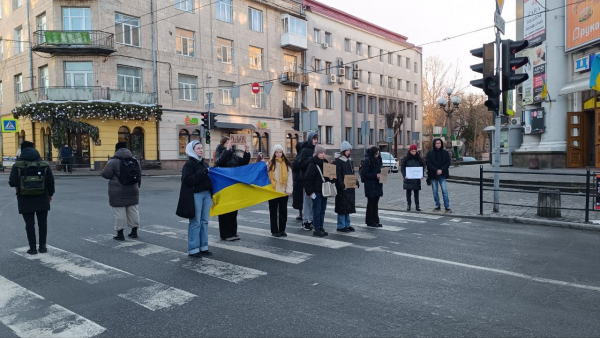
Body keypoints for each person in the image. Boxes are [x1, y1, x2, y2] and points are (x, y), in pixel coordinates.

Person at [9, 141, 55, 255]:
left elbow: (12, 182)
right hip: (42, 195)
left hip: (24, 197)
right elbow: (50, 181)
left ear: (22, 150)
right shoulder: (44, 164)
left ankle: (32, 248)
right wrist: (50, 194)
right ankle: (43, 247)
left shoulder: (17, 165)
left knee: (29, 224)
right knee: (42, 222)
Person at [176, 141, 213, 258]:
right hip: (196, 194)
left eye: (202, 148)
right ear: (192, 150)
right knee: (195, 222)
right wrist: (203, 173)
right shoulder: (189, 165)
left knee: (204, 221)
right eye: (198, 148)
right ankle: (193, 249)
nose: (201, 150)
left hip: (207, 194)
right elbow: (188, 180)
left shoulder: (205, 164)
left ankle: (204, 247)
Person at [102, 142, 142, 240]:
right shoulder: (134, 160)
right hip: (133, 189)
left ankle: (120, 234)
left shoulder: (113, 161)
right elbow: (139, 173)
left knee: (119, 212)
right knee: (133, 210)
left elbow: (106, 174)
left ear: (116, 149)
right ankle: (134, 232)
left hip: (117, 191)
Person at [214, 136, 251, 241]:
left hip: (233, 185)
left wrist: (247, 152)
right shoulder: (220, 151)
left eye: (230, 143)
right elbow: (219, 162)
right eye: (228, 143)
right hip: (223, 186)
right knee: (225, 209)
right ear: (223, 144)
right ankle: (225, 234)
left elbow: (243, 163)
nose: (230, 144)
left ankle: (233, 232)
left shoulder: (233, 155)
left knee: (233, 209)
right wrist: (227, 150)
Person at [303, 145, 334, 237]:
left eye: (324, 153)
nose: (323, 155)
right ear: (317, 154)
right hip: (316, 191)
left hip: (324, 190)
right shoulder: (312, 164)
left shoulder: (325, 163)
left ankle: (321, 227)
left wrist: (331, 178)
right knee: (317, 210)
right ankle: (316, 228)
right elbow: (307, 179)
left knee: (322, 210)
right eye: (321, 153)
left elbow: (328, 178)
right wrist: (310, 193)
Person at [294, 131, 319, 231]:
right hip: (307, 179)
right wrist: (311, 159)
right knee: (307, 201)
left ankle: (312, 219)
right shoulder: (305, 150)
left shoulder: (317, 149)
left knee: (315, 201)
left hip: (316, 180)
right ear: (310, 139)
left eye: (316, 139)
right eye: (314, 139)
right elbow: (300, 164)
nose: (315, 141)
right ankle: (305, 221)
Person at [267, 144, 293, 237]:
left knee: (283, 212)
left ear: (283, 153)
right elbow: (265, 176)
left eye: (280, 152)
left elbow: (290, 178)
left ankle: (282, 230)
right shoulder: (270, 163)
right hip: (273, 191)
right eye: (277, 152)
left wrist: (289, 189)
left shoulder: (286, 164)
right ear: (274, 153)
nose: (278, 154)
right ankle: (274, 231)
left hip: (283, 191)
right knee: (273, 212)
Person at [334, 141, 358, 233]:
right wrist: (342, 186)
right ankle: (341, 225)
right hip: (343, 188)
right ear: (343, 151)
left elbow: (352, 174)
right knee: (342, 207)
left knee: (348, 207)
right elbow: (338, 175)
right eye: (347, 150)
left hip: (350, 188)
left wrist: (356, 183)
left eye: (349, 150)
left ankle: (347, 224)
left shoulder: (349, 161)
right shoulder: (339, 161)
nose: (349, 152)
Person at [426, 138, 451, 213]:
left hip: (442, 175)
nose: (438, 144)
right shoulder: (430, 153)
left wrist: (441, 170)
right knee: (435, 191)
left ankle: (447, 206)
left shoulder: (445, 153)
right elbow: (428, 163)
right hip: (433, 175)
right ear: (434, 144)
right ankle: (437, 205)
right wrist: (436, 170)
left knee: (444, 190)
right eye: (436, 143)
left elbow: (448, 163)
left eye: (439, 143)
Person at [361, 146, 383, 228]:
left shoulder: (379, 160)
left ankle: (376, 220)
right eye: (376, 153)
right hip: (370, 185)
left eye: (378, 153)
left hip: (377, 184)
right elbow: (365, 174)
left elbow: (378, 171)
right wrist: (375, 175)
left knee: (376, 204)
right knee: (371, 203)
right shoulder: (368, 161)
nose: (377, 155)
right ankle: (370, 221)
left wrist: (382, 174)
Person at [401, 144, 424, 211]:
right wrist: (404, 175)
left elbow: (422, 167)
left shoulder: (419, 158)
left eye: (415, 151)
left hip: (416, 179)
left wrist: (421, 174)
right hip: (408, 178)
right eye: (412, 151)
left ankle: (417, 205)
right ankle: (409, 205)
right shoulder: (406, 158)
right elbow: (402, 168)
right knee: (408, 192)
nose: (414, 152)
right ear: (410, 151)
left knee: (416, 192)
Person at [291, 142, 304, 221]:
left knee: (300, 198)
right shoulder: (300, 157)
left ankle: (301, 214)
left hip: (298, 180)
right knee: (301, 198)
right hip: (300, 180)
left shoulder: (298, 157)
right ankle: (302, 214)